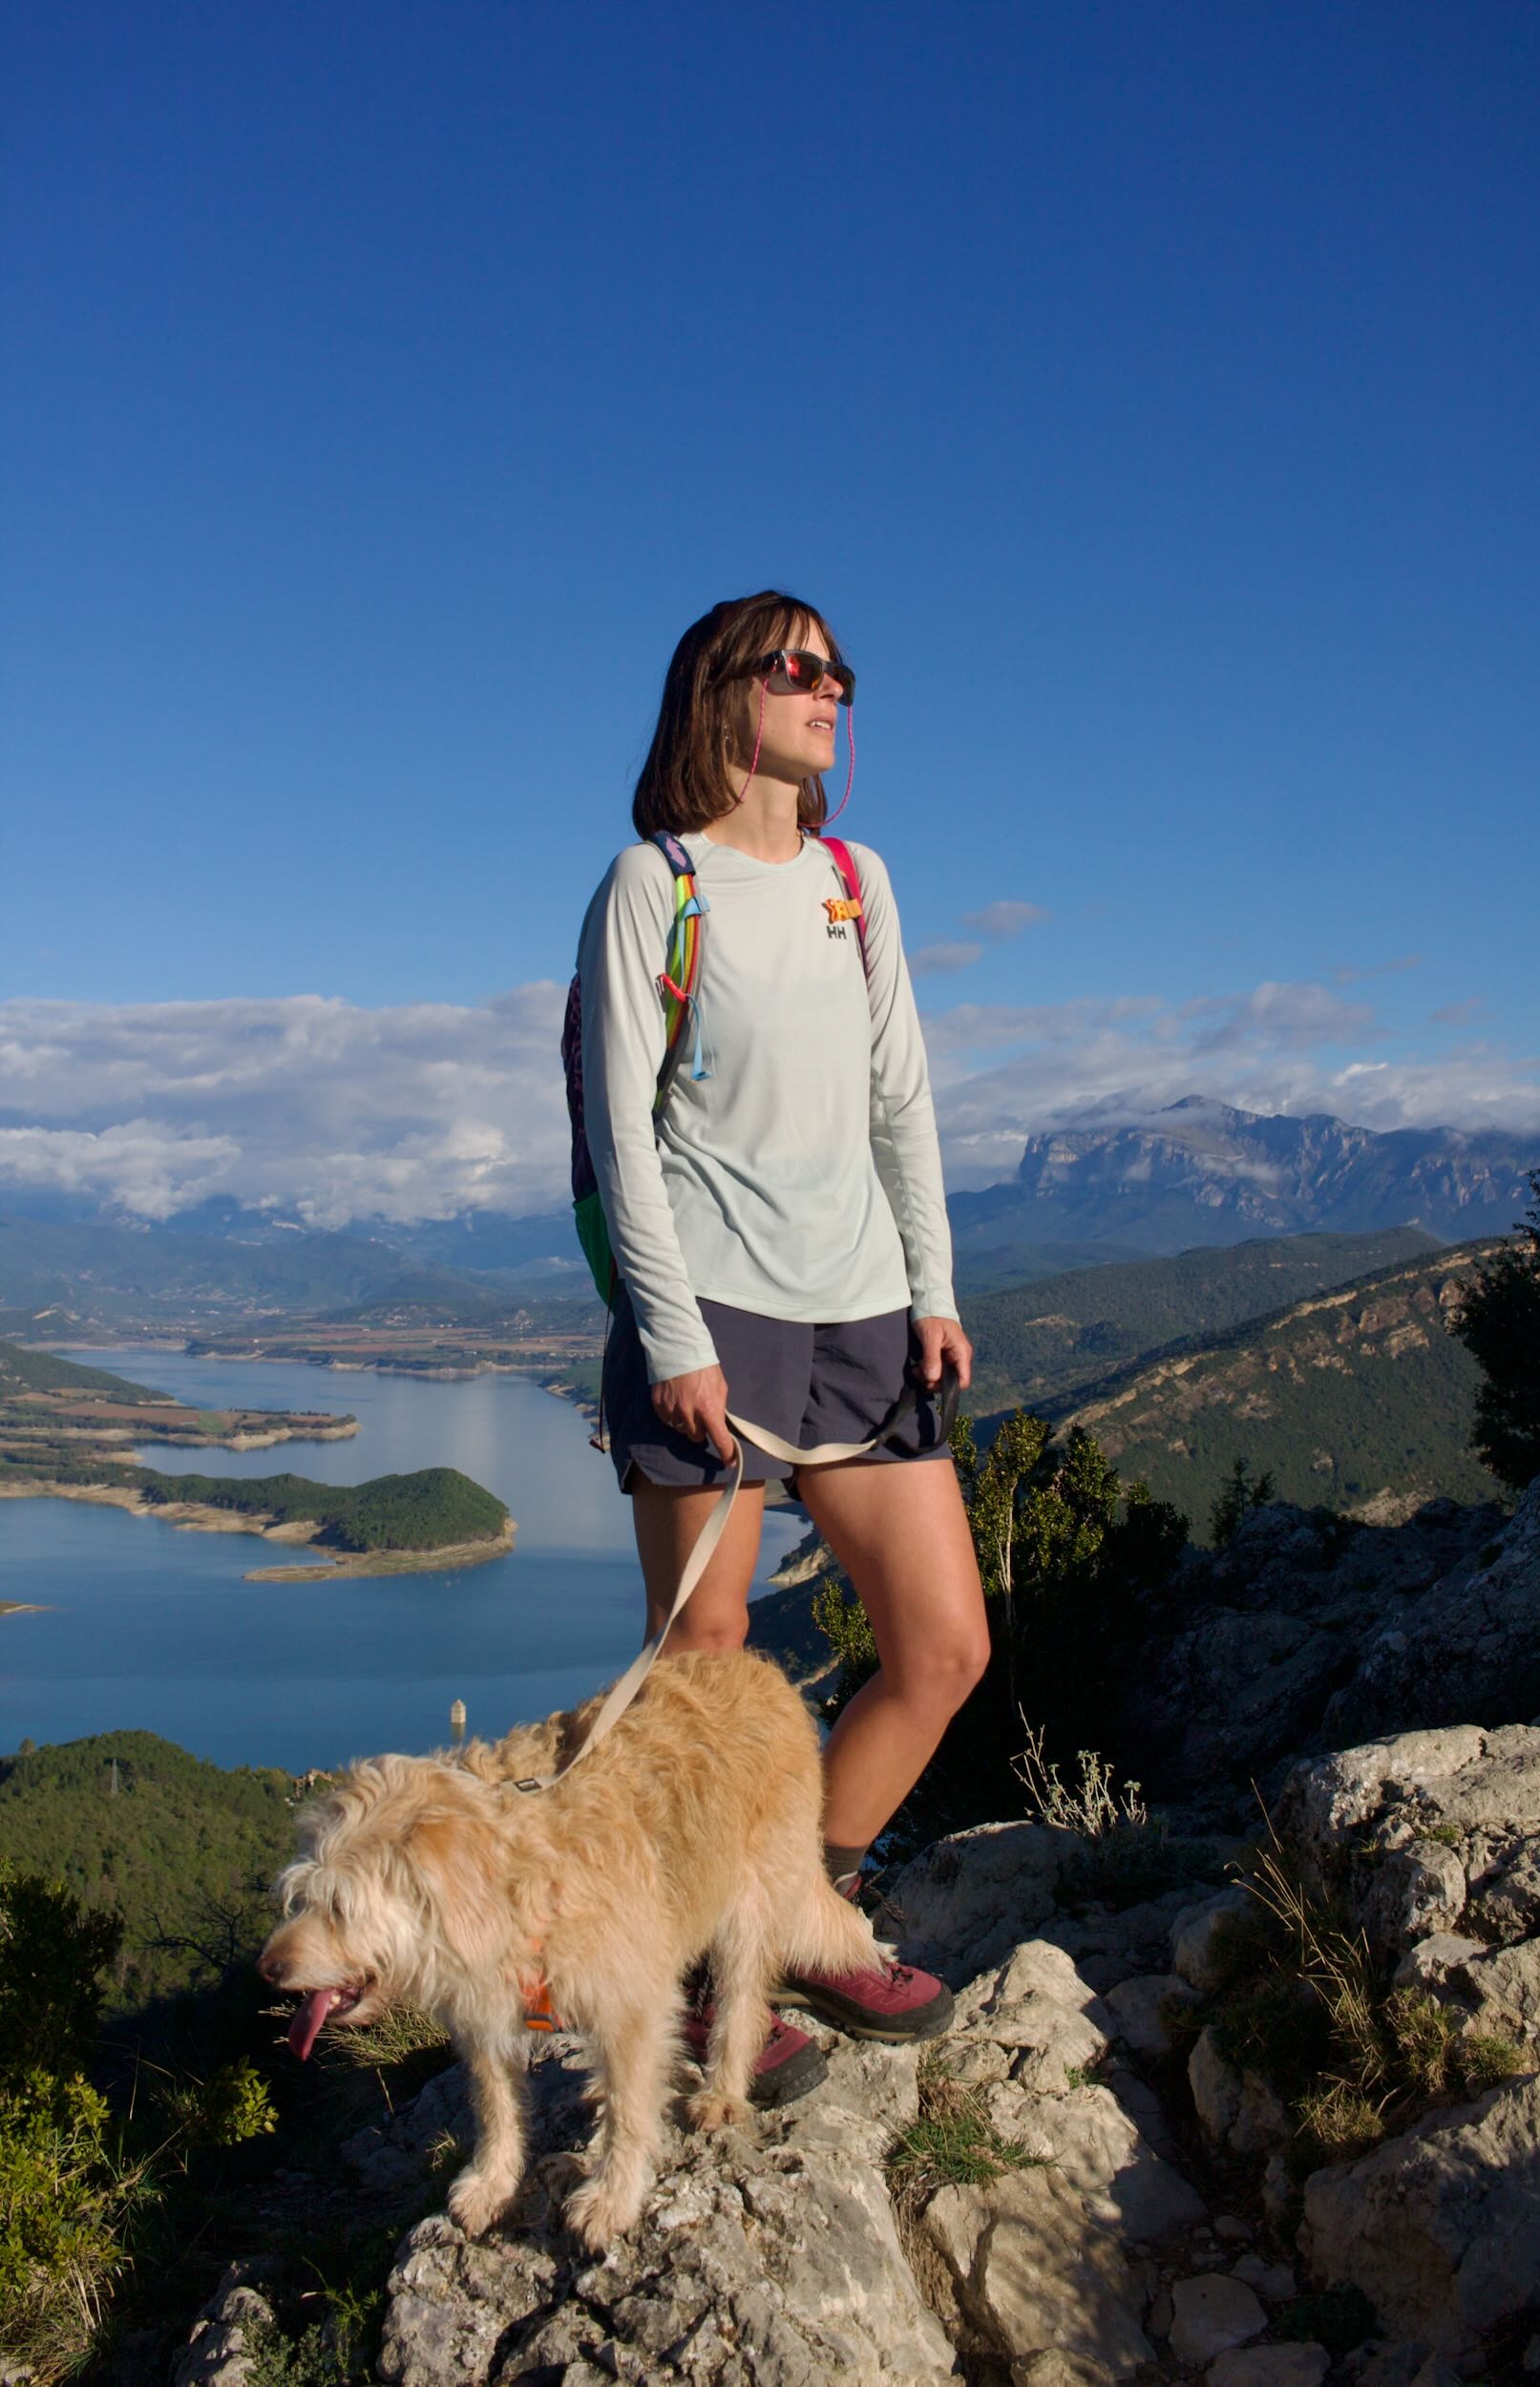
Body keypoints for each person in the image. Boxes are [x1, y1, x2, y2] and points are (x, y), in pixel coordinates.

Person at [575, 590, 989, 2103]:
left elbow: (903, 1103)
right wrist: (673, 1334)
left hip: (865, 1315)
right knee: (703, 1661)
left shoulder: (858, 885)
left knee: (942, 1648)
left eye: (840, 673)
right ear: (722, 694)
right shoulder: (658, 885)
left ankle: (801, 1917)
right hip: (717, 1322)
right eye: (798, 668)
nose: (830, 691)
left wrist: (934, 1289)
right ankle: (692, 1976)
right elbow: (624, 1132)